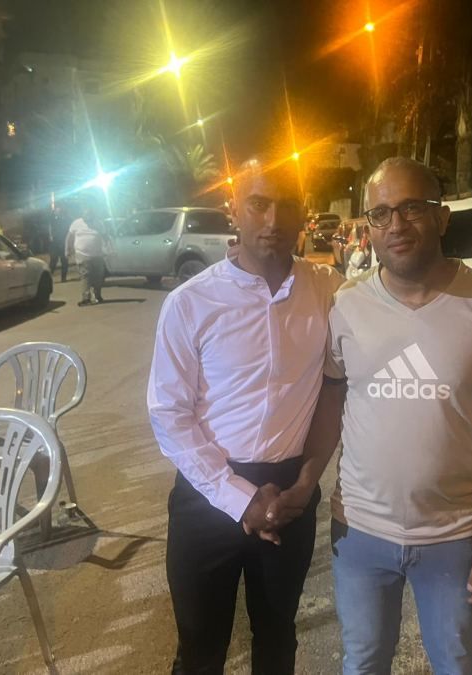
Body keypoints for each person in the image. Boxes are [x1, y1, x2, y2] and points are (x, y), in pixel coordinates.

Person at [267, 157, 472, 674]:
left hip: (455, 536)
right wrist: (305, 480)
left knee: (458, 664)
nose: (396, 225)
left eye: (412, 208)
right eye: (381, 213)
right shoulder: (347, 304)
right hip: (360, 531)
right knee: (363, 662)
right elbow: (332, 402)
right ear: (368, 226)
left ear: (441, 216)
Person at [146, 156, 343, 674]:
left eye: (287, 205)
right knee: (199, 650)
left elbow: (333, 391)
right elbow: (169, 412)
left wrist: (306, 483)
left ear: (304, 211)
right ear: (233, 208)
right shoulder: (191, 303)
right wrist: (240, 498)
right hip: (207, 494)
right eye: (258, 204)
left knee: (277, 640)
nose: (273, 220)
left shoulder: (329, 291)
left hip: (291, 493)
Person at [66, 203, 106, 306]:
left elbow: (105, 236)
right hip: (82, 254)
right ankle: (86, 298)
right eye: (86, 215)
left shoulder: (98, 223)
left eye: (90, 215)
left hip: (97, 255)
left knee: (98, 277)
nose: (88, 217)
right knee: (85, 276)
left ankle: (97, 296)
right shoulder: (76, 223)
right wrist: (67, 249)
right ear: (82, 214)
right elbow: (69, 237)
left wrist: (108, 249)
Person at [48, 204, 70, 282]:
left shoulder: (66, 219)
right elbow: (50, 227)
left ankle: (63, 278)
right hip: (55, 242)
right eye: (56, 211)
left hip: (64, 242)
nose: (58, 213)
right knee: (53, 260)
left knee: (64, 260)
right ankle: (48, 277)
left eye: (59, 211)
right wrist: (51, 236)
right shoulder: (53, 219)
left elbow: (69, 230)